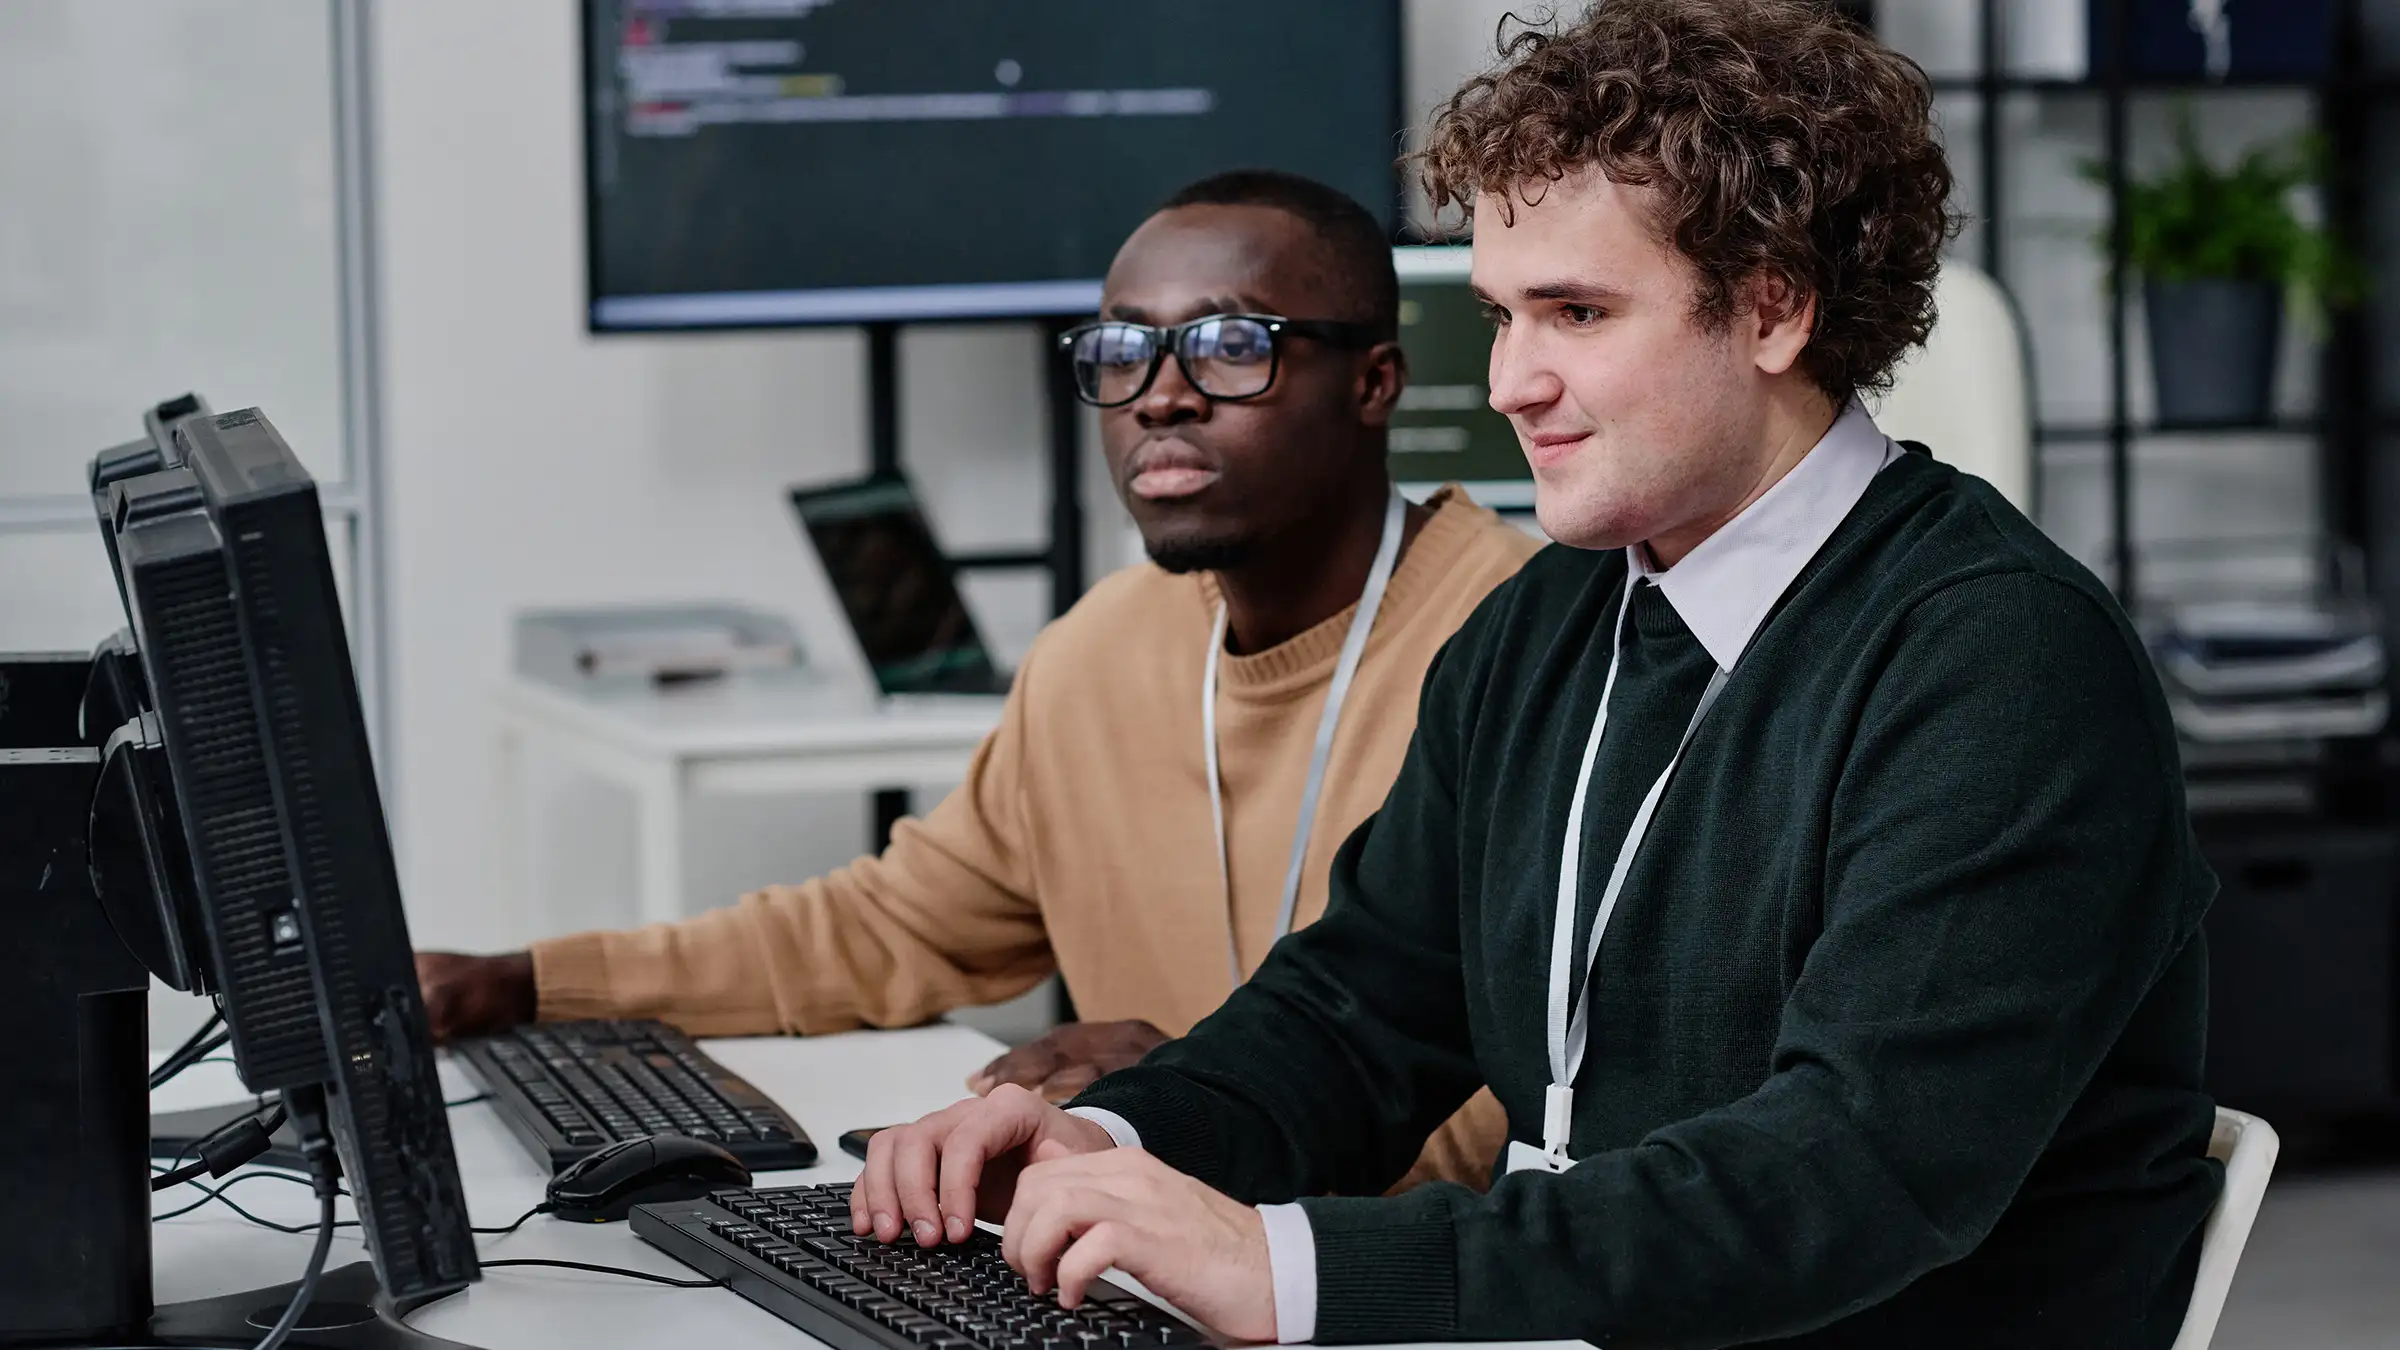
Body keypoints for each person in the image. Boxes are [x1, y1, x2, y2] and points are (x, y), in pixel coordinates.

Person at [845, 4, 2224, 1346]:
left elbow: (1848, 1179)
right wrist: (1112, 1133)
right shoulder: (1557, 612)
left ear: (1775, 309)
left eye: (1575, 311)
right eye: (1504, 314)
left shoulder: (2003, 662)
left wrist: (1285, 1263)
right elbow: (1363, 1008)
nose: (1509, 379)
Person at [415, 169, 1539, 1190]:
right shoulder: (1100, 650)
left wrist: (1188, 1107)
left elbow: (1524, 1125)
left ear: (1374, 383)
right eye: (1121, 350)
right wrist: (522, 985)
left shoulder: (1528, 645)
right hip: (1142, 1245)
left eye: (1230, 346)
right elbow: (881, 931)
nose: (1161, 396)